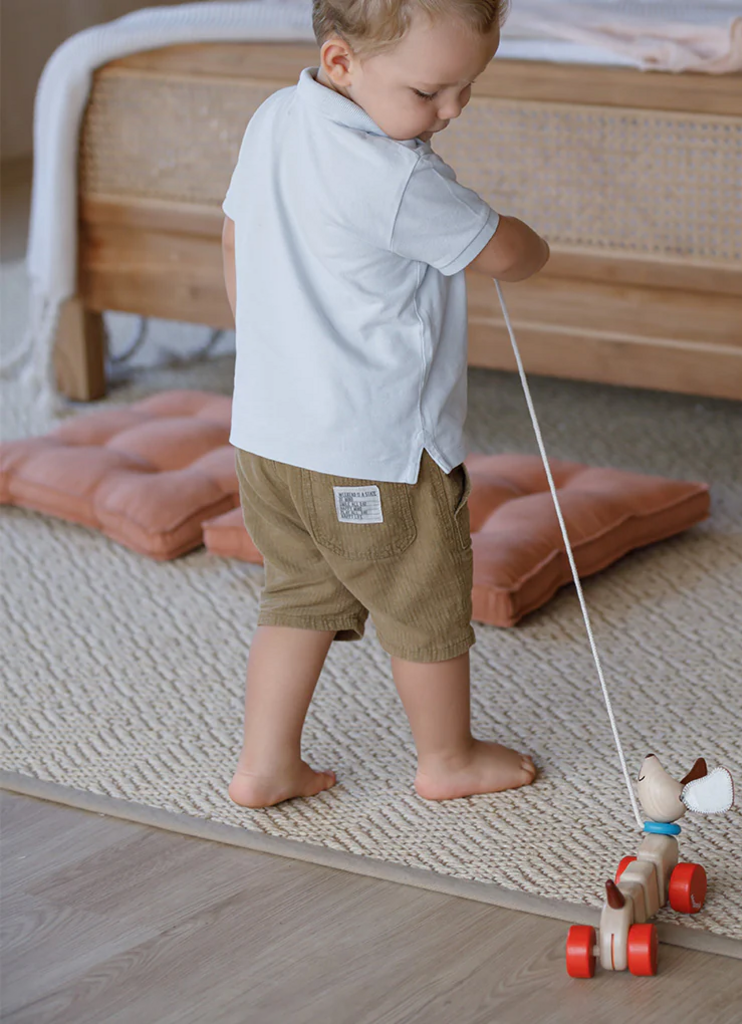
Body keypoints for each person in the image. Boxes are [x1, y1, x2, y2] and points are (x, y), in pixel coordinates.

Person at [221, 0, 549, 808]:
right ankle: (448, 757)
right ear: (341, 63)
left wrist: (266, 352)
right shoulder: (398, 178)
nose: (452, 110)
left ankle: (265, 764)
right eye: (429, 92)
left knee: (298, 594)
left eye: (468, 87)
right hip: (377, 455)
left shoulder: (275, 118)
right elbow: (509, 254)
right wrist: (529, 240)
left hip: (268, 437)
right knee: (422, 599)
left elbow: (233, 237)